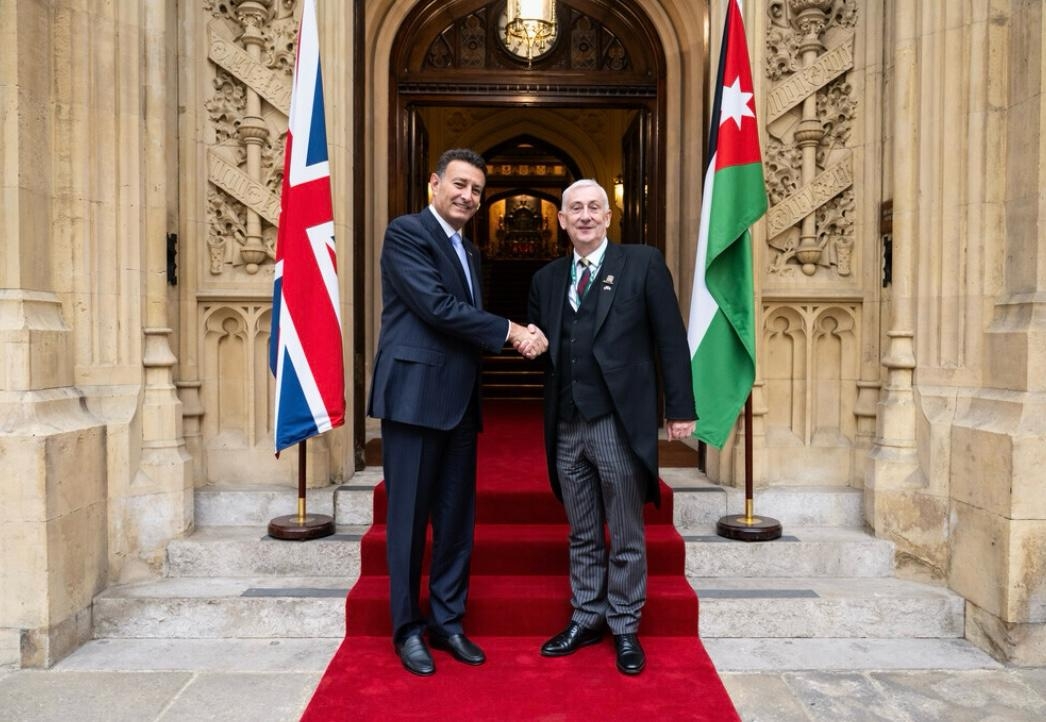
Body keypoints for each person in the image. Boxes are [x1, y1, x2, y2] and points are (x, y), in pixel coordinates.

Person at [368, 148, 547, 676]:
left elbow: (462, 319)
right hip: (414, 399)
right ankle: (408, 630)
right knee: (407, 523)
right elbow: (436, 307)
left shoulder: (469, 250)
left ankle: (447, 622)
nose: (468, 196)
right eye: (460, 184)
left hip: (461, 402)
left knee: (455, 521)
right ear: (435, 183)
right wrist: (511, 331)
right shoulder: (407, 233)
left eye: (476, 190)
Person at [527, 179, 696, 675]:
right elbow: (544, 344)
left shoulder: (642, 263)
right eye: (575, 208)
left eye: (594, 207)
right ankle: (586, 617)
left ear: (608, 216)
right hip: (566, 423)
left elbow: (670, 339)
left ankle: (624, 625)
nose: (584, 215)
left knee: (624, 531)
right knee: (582, 531)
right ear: (561, 220)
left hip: (616, 423)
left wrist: (680, 407)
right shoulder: (546, 279)